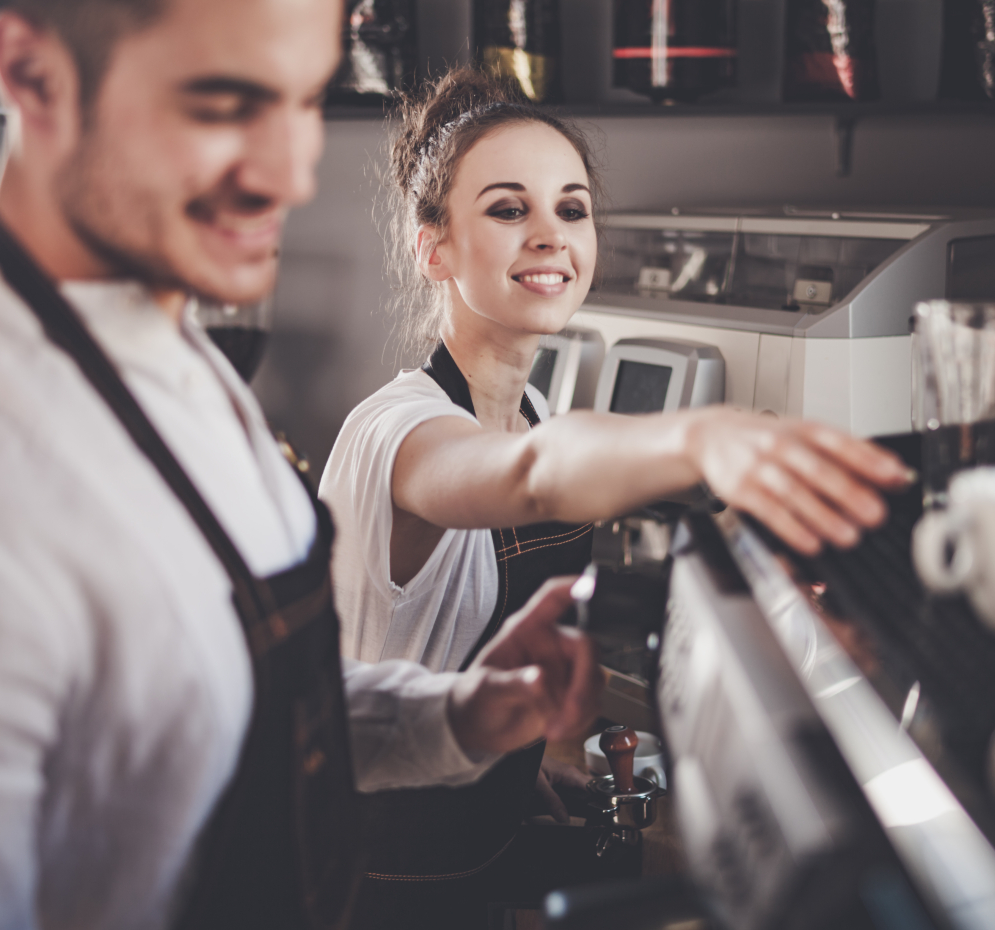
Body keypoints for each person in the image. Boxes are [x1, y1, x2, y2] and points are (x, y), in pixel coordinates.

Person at [0, 2, 601, 929]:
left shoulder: (182, 376)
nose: (291, 172)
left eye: (300, 99)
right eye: (224, 100)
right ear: (33, 72)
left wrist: (454, 719)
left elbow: (219, 697)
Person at [317, 68, 912, 926]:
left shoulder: (533, 412)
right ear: (432, 247)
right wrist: (705, 437)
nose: (551, 236)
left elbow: (541, 467)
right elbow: (533, 475)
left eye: (572, 208)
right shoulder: (396, 432)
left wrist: (522, 769)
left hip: (476, 835)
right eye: (509, 209)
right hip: (382, 880)